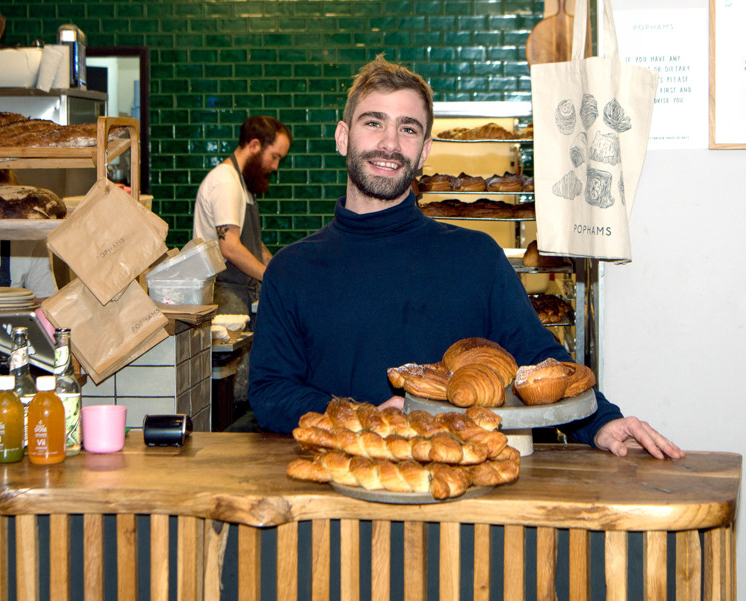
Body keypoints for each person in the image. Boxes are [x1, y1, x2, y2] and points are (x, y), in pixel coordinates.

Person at [249, 56, 683, 459]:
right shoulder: (293, 270)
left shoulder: (475, 257)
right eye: (373, 122)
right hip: (338, 489)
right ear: (343, 137)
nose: (389, 142)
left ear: (424, 151)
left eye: (408, 128)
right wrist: (369, 421)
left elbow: (538, 357)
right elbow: (271, 391)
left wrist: (603, 422)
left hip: (462, 491)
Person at [193, 116, 292, 317]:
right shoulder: (225, 182)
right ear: (254, 145)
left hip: (239, 296)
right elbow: (230, 247)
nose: (275, 166)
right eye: (274, 156)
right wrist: (271, 278)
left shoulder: (242, 184)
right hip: (225, 297)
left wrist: (279, 271)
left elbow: (250, 243)